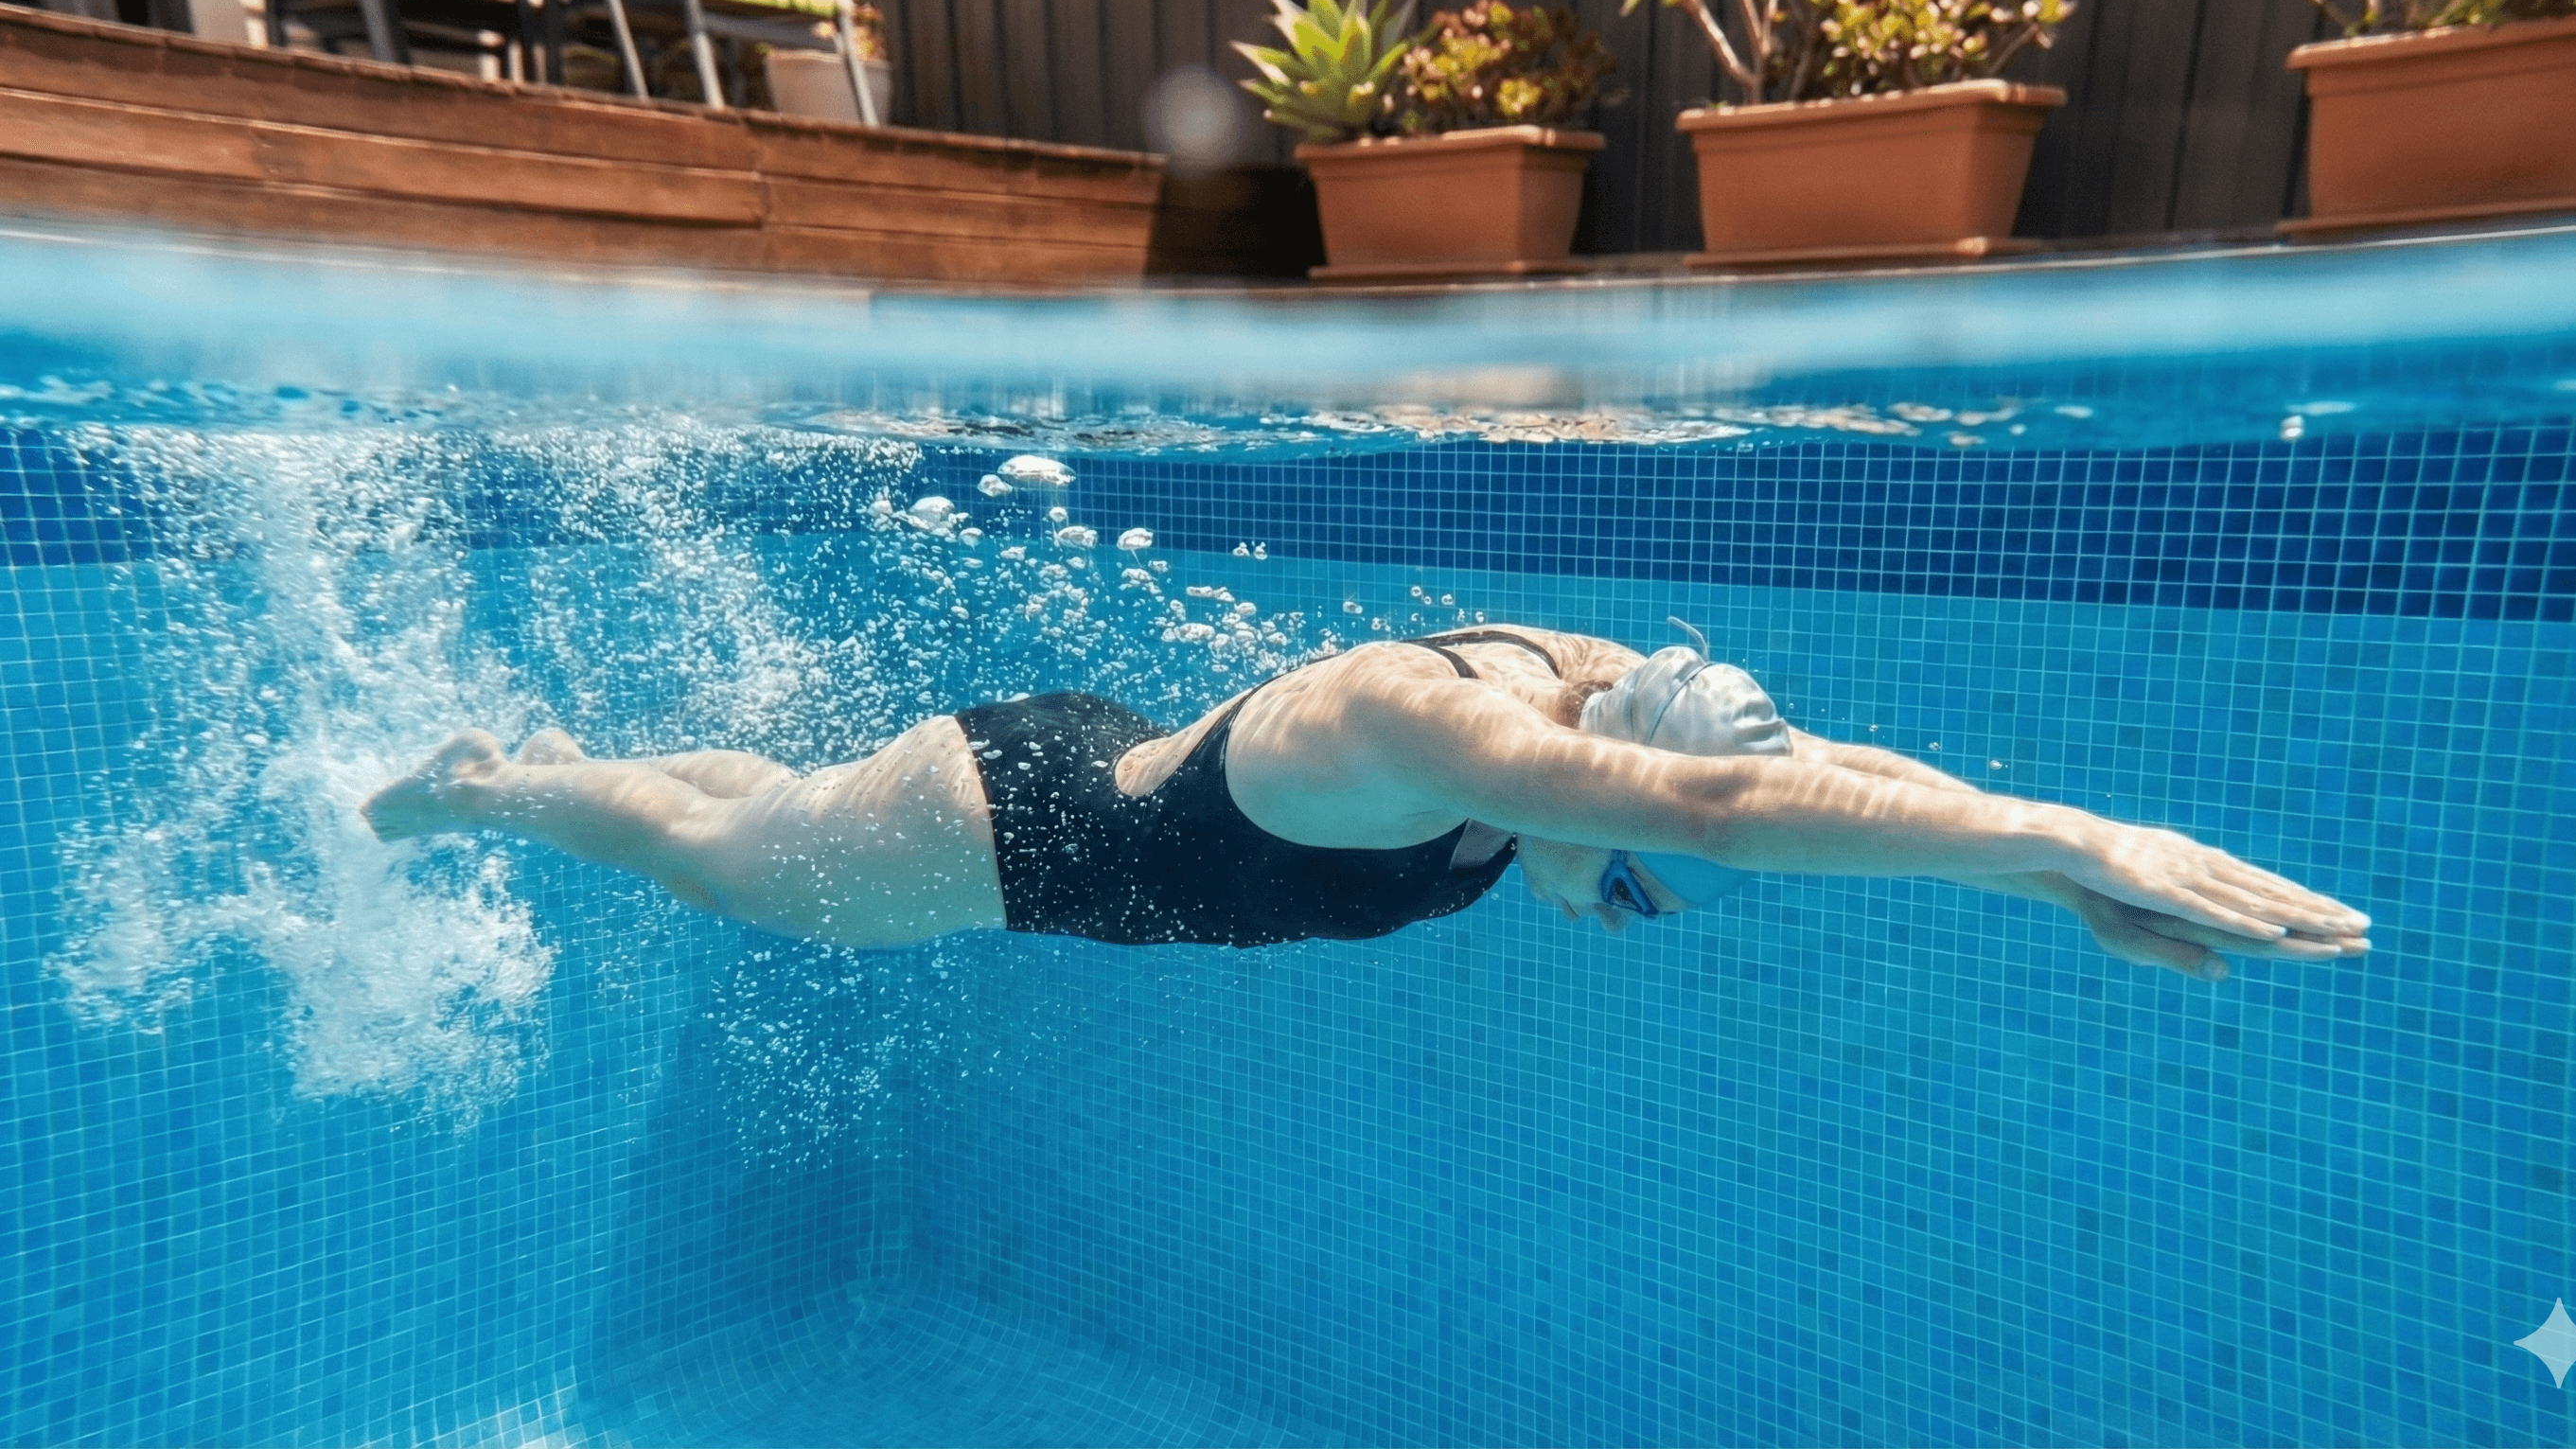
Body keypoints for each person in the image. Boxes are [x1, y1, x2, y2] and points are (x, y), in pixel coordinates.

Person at [361, 625, 2371, 981]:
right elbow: (1727, 813)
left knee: (783, 810)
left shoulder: (1579, 676)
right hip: (1000, 840)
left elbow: (1791, 782)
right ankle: (502, 796)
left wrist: (2036, 873)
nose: (1623, 840)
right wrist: (2064, 839)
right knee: (742, 865)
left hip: (1056, 768)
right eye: (1619, 817)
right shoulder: (1426, 726)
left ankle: (543, 765)